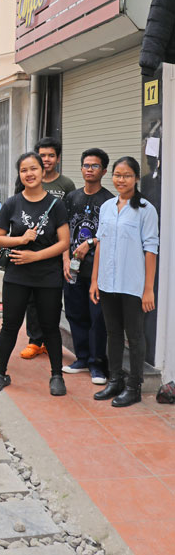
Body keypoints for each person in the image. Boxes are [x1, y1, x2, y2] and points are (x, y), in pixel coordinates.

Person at [0, 151, 70, 397]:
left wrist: (35, 255)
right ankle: (0, 373)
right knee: (10, 325)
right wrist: (20, 239)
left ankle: (57, 375)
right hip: (17, 276)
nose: (29, 174)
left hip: (48, 276)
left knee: (50, 327)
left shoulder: (56, 204)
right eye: (24, 170)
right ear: (20, 174)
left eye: (33, 169)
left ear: (43, 172)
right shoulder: (12, 203)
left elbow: (64, 242)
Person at [90, 156, 159, 407]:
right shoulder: (107, 206)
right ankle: (115, 380)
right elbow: (100, 244)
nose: (121, 179)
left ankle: (134, 386)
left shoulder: (146, 210)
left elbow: (151, 250)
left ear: (137, 178)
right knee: (113, 333)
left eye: (127, 175)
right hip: (108, 282)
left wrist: (148, 289)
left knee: (136, 336)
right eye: (118, 175)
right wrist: (94, 280)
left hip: (133, 284)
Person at [20, 136, 75, 361]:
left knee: (51, 300)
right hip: (30, 250)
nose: (47, 159)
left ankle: (50, 340)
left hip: (55, 251)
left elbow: (68, 222)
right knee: (31, 299)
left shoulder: (66, 185)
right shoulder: (30, 180)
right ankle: (35, 341)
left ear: (58, 158)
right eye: (42, 155)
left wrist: (65, 256)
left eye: (51, 155)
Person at [62, 148, 114, 384]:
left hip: (98, 270)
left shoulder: (110, 201)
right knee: (75, 313)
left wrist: (90, 242)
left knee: (97, 318)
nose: (89, 170)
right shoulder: (71, 197)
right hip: (72, 268)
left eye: (94, 166)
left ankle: (97, 364)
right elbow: (62, 231)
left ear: (103, 170)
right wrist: (65, 260)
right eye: (86, 165)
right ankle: (81, 358)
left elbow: (113, 235)